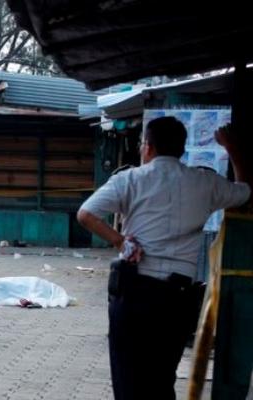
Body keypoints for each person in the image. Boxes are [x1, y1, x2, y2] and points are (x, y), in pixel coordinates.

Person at [77, 117, 251, 400]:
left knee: (129, 381)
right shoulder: (204, 182)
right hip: (176, 299)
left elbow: (86, 214)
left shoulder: (131, 179)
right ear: (182, 149)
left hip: (133, 293)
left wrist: (121, 241)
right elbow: (245, 192)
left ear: (147, 147)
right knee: (161, 379)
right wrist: (233, 149)